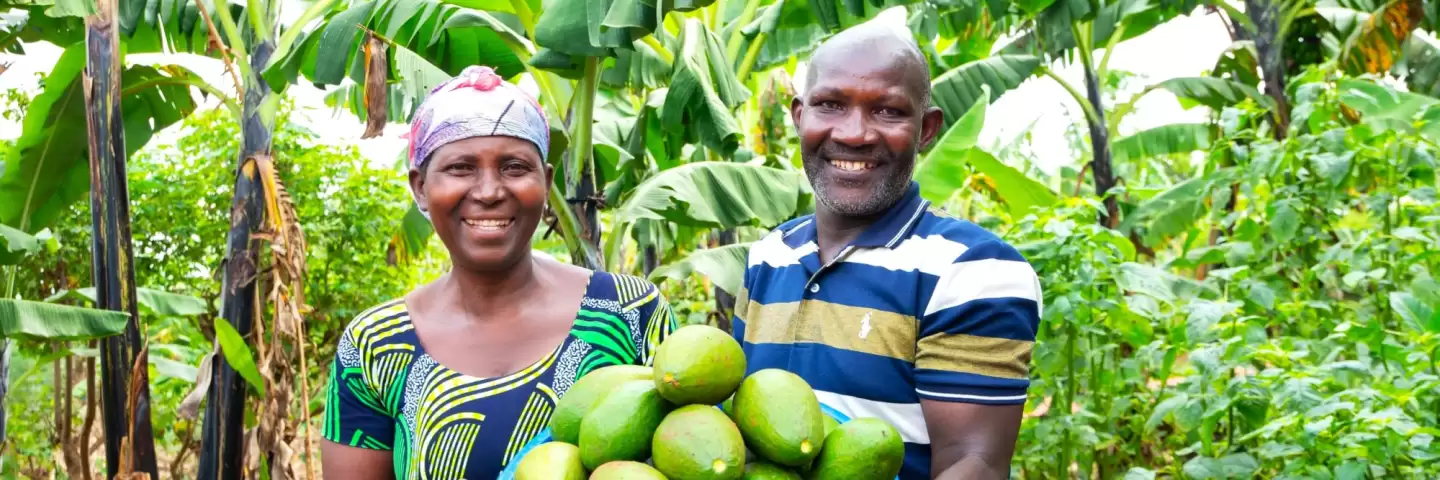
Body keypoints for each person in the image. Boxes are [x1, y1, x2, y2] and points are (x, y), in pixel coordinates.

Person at [320, 65, 676, 480]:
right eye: (460, 168)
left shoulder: (630, 313)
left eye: (513, 167)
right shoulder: (374, 346)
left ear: (545, 183)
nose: (489, 191)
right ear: (420, 187)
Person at [729, 21, 1043, 480]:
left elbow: (973, 464)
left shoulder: (973, 272)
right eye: (830, 105)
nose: (855, 134)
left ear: (927, 129)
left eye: (888, 111)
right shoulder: (768, 256)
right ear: (800, 115)